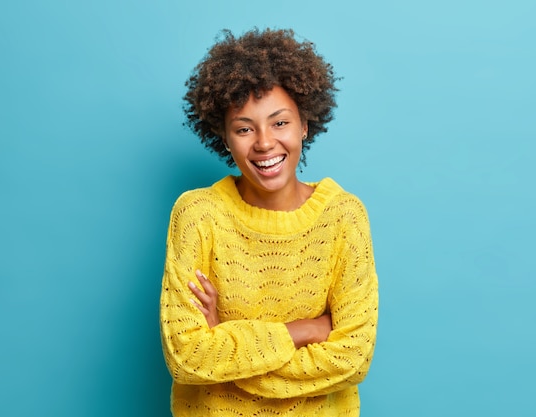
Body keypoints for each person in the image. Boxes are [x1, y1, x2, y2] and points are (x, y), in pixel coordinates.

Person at [159, 28, 378, 417]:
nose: (263, 143)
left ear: (305, 125)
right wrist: (304, 331)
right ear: (224, 138)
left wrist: (225, 343)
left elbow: (353, 359)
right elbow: (186, 356)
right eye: (244, 128)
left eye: (280, 123)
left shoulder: (343, 217)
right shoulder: (198, 215)